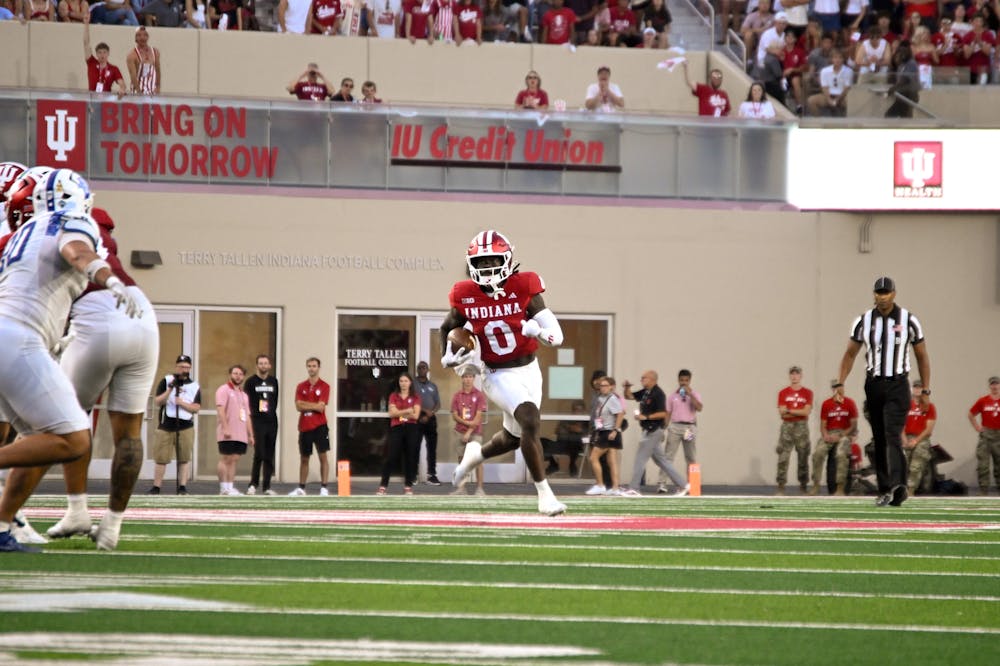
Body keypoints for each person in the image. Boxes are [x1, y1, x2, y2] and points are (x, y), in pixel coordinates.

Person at [0, 169, 140, 553]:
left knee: (36, 437)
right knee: (73, 439)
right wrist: (109, 279)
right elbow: (77, 252)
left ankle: (1, 522)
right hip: (18, 340)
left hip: (10, 337)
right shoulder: (72, 220)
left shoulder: (20, 236)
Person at [46, 206, 158, 551]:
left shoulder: (53, 226)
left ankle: (73, 509)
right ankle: (112, 526)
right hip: (140, 311)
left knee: (61, 424)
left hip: (95, 315)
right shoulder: (98, 226)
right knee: (130, 432)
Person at [440, 229, 567, 516]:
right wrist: (446, 354)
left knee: (514, 436)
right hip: (496, 372)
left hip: (530, 369)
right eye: (481, 262)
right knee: (530, 420)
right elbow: (448, 327)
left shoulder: (524, 286)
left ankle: (477, 454)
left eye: (492, 261)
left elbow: (556, 335)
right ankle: (545, 495)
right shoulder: (465, 294)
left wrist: (538, 331)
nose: (487, 268)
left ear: (508, 259)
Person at [838, 276, 930, 507]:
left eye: (886, 292)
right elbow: (850, 354)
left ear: (894, 294)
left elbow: (921, 356)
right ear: (874, 295)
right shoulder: (864, 321)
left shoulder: (909, 320)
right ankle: (884, 489)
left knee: (891, 433)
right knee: (879, 438)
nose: (882, 296)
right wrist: (840, 383)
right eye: (879, 293)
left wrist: (926, 389)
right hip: (874, 384)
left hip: (898, 383)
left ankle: (899, 485)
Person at [620, 370, 687, 496]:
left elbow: (663, 413)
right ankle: (683, 485)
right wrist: (627, 387)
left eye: (644, 378)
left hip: (653, 430)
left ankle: (634, 487)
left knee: (640, 458)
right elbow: (629, 396)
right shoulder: (646, 392)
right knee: (662, 461)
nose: (641, 380)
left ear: (652, 379)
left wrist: (646, 417)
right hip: (648, 430)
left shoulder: (658, 394)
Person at [148, 354, 201, 495]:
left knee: (184, 458)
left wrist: (182, 403)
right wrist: (170, 390)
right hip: (166, 425)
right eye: (181, 366)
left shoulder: (194, 386)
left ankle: (182, 487)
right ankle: (156, 486)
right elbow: (158, 401)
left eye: (187, 367)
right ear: (176, 366)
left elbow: (196, 408)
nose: (184, 369)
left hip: (185, 426)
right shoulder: (166, 381)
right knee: (161, 458)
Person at [809, 380, 858, 496]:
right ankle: (816, 485)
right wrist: (825, 435)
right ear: (832, 389)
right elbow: (823, 425)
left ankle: (840, 487)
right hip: (830, 433)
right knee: (818, 453)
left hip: (844, 433)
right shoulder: (826, 404)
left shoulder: (849, 403)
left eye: (840, 386)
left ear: (843, 388)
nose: (838, 389)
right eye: (835, 387)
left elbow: (853, 425)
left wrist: (841, 436)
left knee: (841, 454)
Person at [290, 357, 331, 496]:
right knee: (304, 458)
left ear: (319, 367)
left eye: (314, 366)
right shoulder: (301, 386)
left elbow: (321, 408)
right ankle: (301, 488)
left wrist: (306, 405)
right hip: (304, 426)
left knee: (323, 456)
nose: (311, 368)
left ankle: (324, 487)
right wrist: (313, 405)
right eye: (309, 366)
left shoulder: (325, 386)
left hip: (320, 426)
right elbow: (297, 406)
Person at [377, 372, 422, 495]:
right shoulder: (393, 396)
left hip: (411, 428)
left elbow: (416, 415)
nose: (403, 383)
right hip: (396, 428)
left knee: (409, 457)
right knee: (391, 456)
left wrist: (399, 412)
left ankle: (408, 486)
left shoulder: (416, 397)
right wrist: (407, 410)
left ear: (410, 383)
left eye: (406, 381)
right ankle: (383, 486)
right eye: (401, 381)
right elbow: (392, 414)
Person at [659, 369, 700, 495]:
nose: (683, 383)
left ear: (689, 381)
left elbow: (699, 407)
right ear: (678, 380)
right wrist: (663, 429)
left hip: (689, 428)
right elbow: (668, 414)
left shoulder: (694, 394)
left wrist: (690, 394)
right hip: (675, 427)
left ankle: (692, 485)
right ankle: (662, 483)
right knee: (668, 456)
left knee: (690, 456)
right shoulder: (673, 396)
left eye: (686, 380)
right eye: (681, 380)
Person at [215, 365, 254, 496]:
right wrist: (225, 427)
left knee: (234, 459)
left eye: (241, 374)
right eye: (235, 373)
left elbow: (247, 416)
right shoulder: (223, 390)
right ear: (230, 374)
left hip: (240, 433)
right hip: (228, 432)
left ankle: (230, 487)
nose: (238, 376)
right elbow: (220, 410)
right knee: (226, 458)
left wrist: (250, 434)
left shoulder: (243, 395)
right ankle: (223, 487)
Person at [450, 366, 487, 496]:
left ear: (474, 378)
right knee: (461, 460)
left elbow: (478, 417)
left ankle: (480, 489)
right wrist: (466, 424)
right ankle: (461, 488)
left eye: (470, 377)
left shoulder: (479, 395)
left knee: (478, 460)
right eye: (465, 377)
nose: (468, 380)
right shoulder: (457, 396)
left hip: (475, 433)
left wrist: (469, 431)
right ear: (462, 379)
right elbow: (454, 415)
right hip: (459, 431)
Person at [245, 354, 278, 496]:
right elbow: (247, 403)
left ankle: (267, 486)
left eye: (266, 363)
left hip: (271, 421)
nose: (263, 366)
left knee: (269, 455)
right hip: (257, 421)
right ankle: (253, 484)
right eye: (261, 363)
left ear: (269, 366)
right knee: (259, 453)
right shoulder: (251, 382)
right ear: (257, 365)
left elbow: (275, 400)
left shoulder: (273, 381)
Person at [775, 365, 812, 495]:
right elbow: (782, 413)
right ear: (789, 376)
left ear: (801, 376)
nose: (794, 376)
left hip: (801, 426)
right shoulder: (783, 393)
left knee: (803, 456)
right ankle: (781, 486)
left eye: (797, 374)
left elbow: (806, 411)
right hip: (787, 426)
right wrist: (798, 412)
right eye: (792, 374)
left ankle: (803, 486)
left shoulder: (807, 393)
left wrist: (790, 410)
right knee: (783, 457)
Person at [585, 375, 624, 496]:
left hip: (608, 432)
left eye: (605, 385)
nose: (602, 388)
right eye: (601, 386)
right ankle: (615, 488)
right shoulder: (601, 398)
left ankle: (600, 485)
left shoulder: (612, 398)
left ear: (611, 387)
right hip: (603, 431)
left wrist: (615, 430)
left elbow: (620, 414)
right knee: (611, 461)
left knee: (593, 457)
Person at [902, 379, 936, 495]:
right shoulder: (905, 405)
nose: (917, 389)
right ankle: (899, 490)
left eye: (920, 387)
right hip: (905, 437)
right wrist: (904, 440)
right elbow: (900, 424)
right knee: (901, 465)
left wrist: (916, 441)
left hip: (921, 439)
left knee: (915, 466)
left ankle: (910, 490)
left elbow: (928, 429)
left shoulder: (929, 407)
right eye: (915, 387)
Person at [968, 375, 1000, 496]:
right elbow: (971, 414)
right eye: (992, 384)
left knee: (999, 465)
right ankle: (983, 490)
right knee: (983, 465)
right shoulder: (983, 400)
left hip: (999, 436)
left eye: (996, 384)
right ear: (989, 386)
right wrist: (977, 427)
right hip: (986, 435)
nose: (994, 386)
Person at [83, 13, 127, 98]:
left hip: (106, 102)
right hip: (91, 99)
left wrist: (122, 89)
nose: (102, 55)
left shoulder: (114, 69)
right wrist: (86, 24)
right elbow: (86, 43)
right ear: (96, 54)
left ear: (108, 53)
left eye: (104, 52)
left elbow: (122, 83)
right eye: (99, 52)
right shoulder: (91, 62)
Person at [415, 360, 442, 485]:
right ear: (417, 370)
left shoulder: (433, 386)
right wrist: (425, 411)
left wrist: (431, 412)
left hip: (431, 419)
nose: (422, 369)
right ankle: (413, 474)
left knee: (432, 449)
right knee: (414, 447)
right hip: (417, 418)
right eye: (420, 368)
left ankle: (431, 475)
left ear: (428, 370)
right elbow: (412, 402)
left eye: (424, 367)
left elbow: (438, 404)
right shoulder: (413, 385)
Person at [806, 48, 852, 117]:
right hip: (828, 96)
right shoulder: (825, 71)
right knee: (811, 100)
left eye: (840, 58)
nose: (837, 60)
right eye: (835, 57)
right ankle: (820, 122)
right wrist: (829, 99)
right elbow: (824, 87)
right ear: (832, 59)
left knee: (852, 102)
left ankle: (847, 123)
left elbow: (846, 88)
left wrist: (838, 99)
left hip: (843, 97)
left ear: (843, 59)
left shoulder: (848, 71)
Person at [885, 41, 921, 118]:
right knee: (902, 115)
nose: (896, 57)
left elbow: (905, 79)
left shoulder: (911, 63)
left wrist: (893, 88)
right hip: (901, 95)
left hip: (909, 94)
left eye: (898, 55)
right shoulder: (901, 65)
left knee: (891, 115)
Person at [125, 26, 161, 95]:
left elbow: (158, 70)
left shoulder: (155, 52)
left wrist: (158, 87)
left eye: (145, 35)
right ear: (135, 38)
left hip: (152, 91)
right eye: (139, 35)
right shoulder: (132, 55)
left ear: (147, 37)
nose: (142, 38)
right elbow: (133, 76)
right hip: (138, 91)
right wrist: (139, 92)